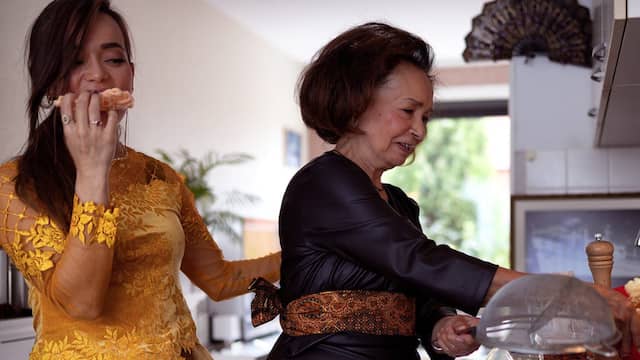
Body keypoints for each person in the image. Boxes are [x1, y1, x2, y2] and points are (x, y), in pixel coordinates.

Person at [249, 22, 640, 359]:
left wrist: (439, 324)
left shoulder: (399, 203)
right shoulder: (325, 183)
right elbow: (419, 260)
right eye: (408, 111)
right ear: (356, 104)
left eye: (426, 117)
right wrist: (564, 293)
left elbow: (418, 290)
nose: (419, 130)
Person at [0, 1, 280, 359]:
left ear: (130, 74)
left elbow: (219, 279)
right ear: (52, 80)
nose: (98, 74)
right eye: (75, 61)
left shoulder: (161, 178)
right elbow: (83, 304)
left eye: (113, 59)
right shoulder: (14, 185)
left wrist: (307, 251)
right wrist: (92, 171)